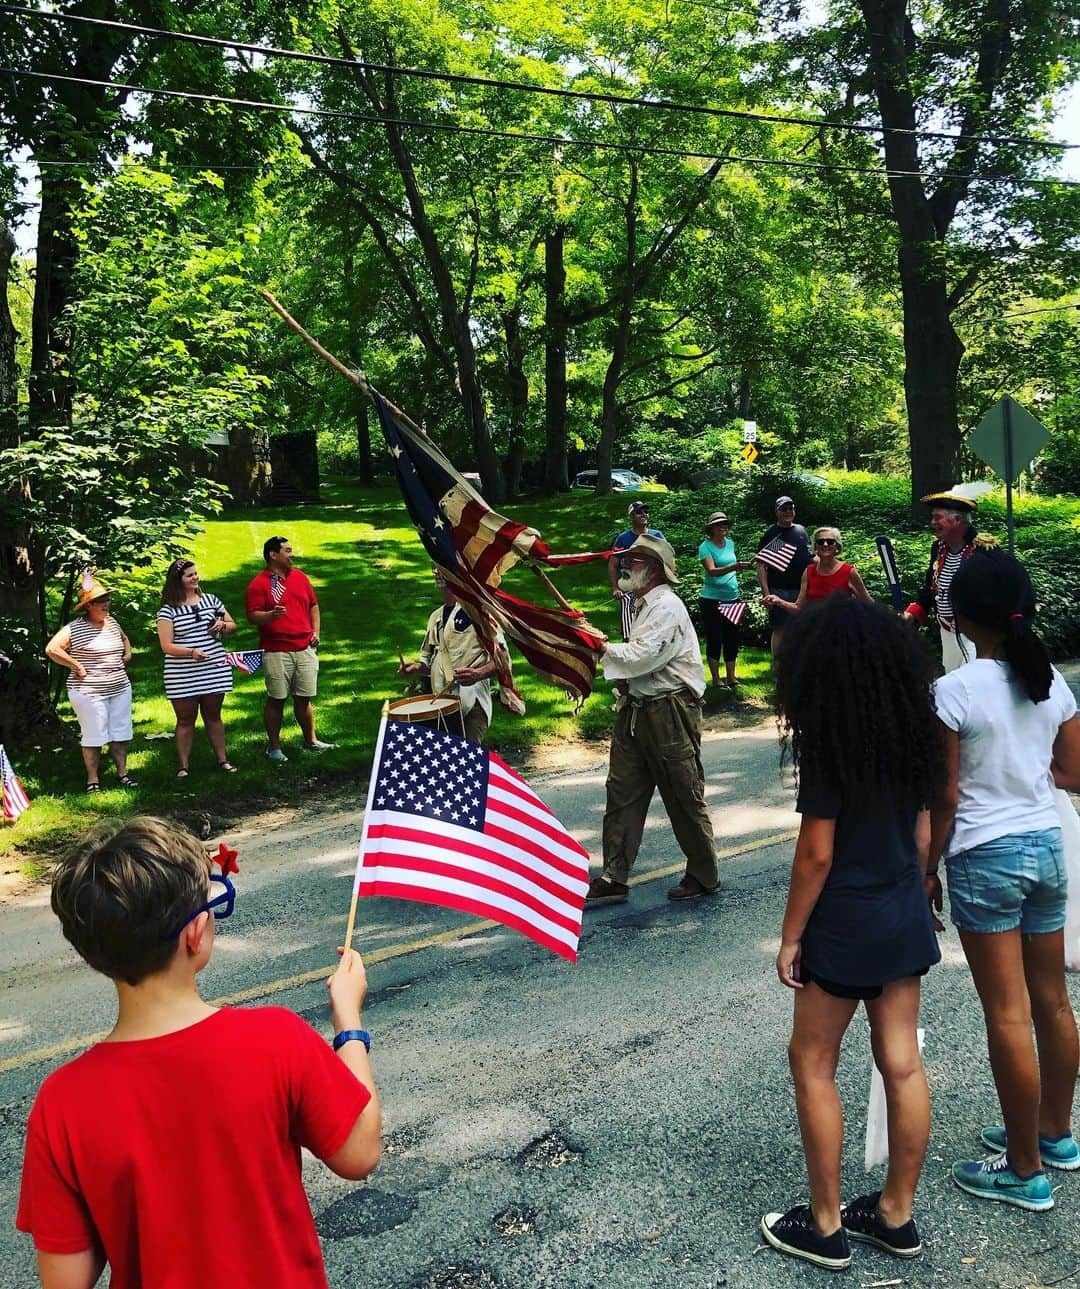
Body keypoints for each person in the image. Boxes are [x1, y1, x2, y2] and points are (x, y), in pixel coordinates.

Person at [16, 816, 381, 1288]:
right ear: (195, 934)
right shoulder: (275, 1039)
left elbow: (67, 1280)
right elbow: (359, 1152)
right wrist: (348, 1022)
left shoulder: (60, 1102)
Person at [761, 596, 943, 1271]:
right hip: (901, 912)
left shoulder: (831, 746)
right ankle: (896, 1212)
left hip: (844, 924)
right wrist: (919, 891)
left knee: (812, 1062)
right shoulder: (912, 738)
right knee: (902, 1061)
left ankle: (827, 1223)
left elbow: (816, 855)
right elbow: (924, 836)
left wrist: (788, 937)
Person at [928, 547, 1080, 1211]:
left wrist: (926, 868)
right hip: (1046, 846)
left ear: (960, 617)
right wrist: (1026, 780)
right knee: (1050, 1000)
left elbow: (947, 797)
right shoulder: (1050, 680)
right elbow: (1073, 771)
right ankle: (1055, 1133)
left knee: (1007, 1011)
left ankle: (1022, 1169)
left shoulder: (953, 691)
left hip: (986, 857)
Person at [585, 534, 720, 905]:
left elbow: (643, 656)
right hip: (636, 710)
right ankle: (615, 874)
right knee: (622, 792)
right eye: (628, 559)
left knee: (682, 791)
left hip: (669, 711)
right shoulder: (645, 605)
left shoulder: (667, 606)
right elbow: (636, 663)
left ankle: (704, 873)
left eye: (638, 560)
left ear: (656, 570)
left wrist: (600, 646)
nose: (627, 565)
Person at [245, 536, 334, 762]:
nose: (291, 555)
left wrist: (316, 632)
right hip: (276, 650)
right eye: (287, 550)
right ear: (273, 555)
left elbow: (314, 605)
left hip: (304, 647)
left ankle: (311, 740)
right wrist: (270, 615)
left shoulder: (300, 578)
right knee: (277, 698)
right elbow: (252, 616)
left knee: (304, 697)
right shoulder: (260, 584)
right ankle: (274, 748)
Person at [45, 574, 136, 792]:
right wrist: (76, 665)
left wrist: (128, 653)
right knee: (94, 735)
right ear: (89, 606)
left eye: (107, 600)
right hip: (89, 691)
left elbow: (124, 638)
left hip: (119, 687)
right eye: (101, 601)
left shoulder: (112, 622)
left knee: (121, 732)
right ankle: (93, 780)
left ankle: (122, 774)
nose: (106, 604)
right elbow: (52, 649)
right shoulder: (74, 628)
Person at [398, 568, 503, 742]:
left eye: (441, 567)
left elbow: (502, 659)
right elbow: (428, 662)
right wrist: (417, 667)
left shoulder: (478, 611)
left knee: (468, 763)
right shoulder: (435, 617)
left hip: (472, 703)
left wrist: (479, 674)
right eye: (434, 568)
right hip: (441, 705)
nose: (436, 572)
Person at [157, 558, 239, 777]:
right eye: (189, 575)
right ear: (178, 581)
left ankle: (223, 760)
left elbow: (232, 625)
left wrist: (222, 625)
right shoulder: (168, 610)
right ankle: (183, 766)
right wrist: (191, 652)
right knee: (185, 719)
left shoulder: (211, 600)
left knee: (214, 715)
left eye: (195, 573)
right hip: (182, 673)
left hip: (214, 667)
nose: (195, 577)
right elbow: (166, 646)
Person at [903, 492, 979, 672]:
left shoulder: (982, 550)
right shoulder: (938, 548)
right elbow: (930, 587)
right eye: (932, 518)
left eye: (938, 518)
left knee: (972, 679)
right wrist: (912, 614)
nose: (932, 523)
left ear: (957, 521)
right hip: (946, 631)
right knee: (952, 673)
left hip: (976, 633)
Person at [765, 527, 871, 619]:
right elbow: (798, 608)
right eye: (821, 542)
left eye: (830, 541)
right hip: (814, 631)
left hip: (842, 632)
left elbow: (869, 604)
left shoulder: (848, 571)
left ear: (837, 547)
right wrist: (779, 601)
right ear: (815, 547)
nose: (825, 545)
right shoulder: (809, 571)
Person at [698, 511, 752, 688]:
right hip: (711, 600)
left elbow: (731, 567)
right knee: (715, 638)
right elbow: (711, 571)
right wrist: (734, 567)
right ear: (711, 528)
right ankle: (715, 679)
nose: (723, 527)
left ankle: (731, 676)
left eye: (726, 524)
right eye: (719, 524)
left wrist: (737, 568)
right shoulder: (705, 547)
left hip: (732, 598)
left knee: (732, 637)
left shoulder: (731, 544)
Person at [756, 496, 812, 656]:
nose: (788, 512)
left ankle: (796, 665)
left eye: (791, 508)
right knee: (780, 628)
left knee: (801, 628)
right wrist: (766, 593)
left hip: (801, 589)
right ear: (777, 512)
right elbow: (761, 565)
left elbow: (809, 557)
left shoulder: (801, 531)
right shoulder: (773, 534)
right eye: (784, 509)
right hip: (778, 589)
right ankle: (778, 667)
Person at [609, 501, 664, 642]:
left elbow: (668, 560)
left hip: (653, 586)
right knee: (630, 624)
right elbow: (613, 564)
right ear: (631, 516)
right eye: (639, 512)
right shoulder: (623, 539)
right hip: (630, 586)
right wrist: (615, 588)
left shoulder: (657, 535)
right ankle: (629, 645)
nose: (644, 514)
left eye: (646, 512)